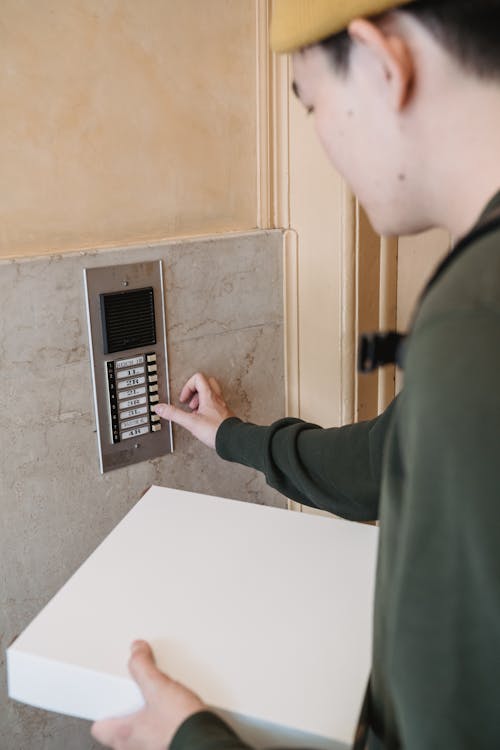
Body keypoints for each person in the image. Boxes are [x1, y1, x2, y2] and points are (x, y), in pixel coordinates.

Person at [91, 1, 500, 748]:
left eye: (311, 103)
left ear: (383, 62)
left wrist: (193, 739)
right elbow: (388, 460)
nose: (325, 142)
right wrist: (235, 438)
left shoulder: (476, 324)